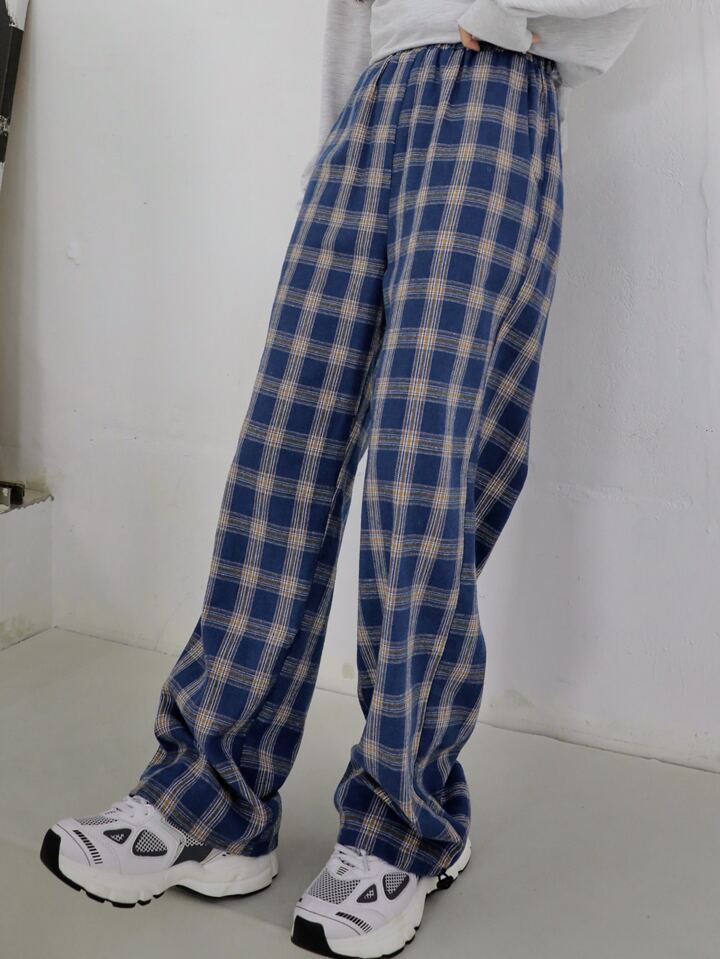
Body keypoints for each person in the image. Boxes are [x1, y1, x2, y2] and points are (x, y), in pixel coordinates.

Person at [40, 1, 656, 956]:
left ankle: (402, 824)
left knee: (422, 467)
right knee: (283, 446)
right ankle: (212, 799)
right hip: (372, 110)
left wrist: (500, 10)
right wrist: (343, 131)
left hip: (492, 89)